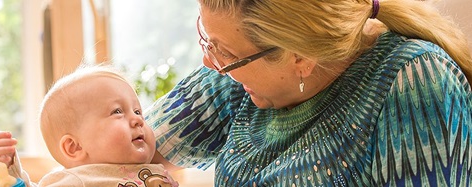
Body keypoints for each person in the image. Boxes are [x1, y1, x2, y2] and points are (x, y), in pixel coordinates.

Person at [146, 0, 472, 186]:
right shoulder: (234, 76)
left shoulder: (414, 82)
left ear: (300, 57)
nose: (209, 60)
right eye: (207, 39)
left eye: (224, 52)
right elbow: (122, 146)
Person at [0, 64, 178, 187]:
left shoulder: (154, 170)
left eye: (137, 111)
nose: (138, 120)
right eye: (117, 111)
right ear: (75, 147)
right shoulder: (78, 179)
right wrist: (8, 175)